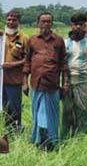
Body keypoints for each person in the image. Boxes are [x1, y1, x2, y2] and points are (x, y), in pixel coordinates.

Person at [23, 12, 69, 151]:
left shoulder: (59, 40)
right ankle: (38, 140)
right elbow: (27, 62)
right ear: (38, 23)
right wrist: (24, 82)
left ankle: (52, 142)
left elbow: (63, 63)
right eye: (43, 21)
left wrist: (65, 83)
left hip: (52, 85)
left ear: (52, 23)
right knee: (38, 114)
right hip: (36, 84)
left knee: (51, 115)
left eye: (49, 21)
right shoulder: (32, 40)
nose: (46, 24)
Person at [62, 12, 87, 137]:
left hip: (84, 81)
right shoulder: (65, 43)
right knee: (67, 111)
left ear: (84, 25)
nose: (78, 27)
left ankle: (85, 136)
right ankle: (66, 136)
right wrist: (64, 82)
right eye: (75, 24)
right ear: (71, 25)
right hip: (68, 82)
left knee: (83, 111)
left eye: (81, 24)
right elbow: (62, 64)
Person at [1, 10, 28, 132]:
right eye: (9, 19)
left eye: (14, 20)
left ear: (19, 22)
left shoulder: (24, 39)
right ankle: (2, 132)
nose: (11, 22)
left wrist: (12, 65)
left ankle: (15, 133)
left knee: (14, 110)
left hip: (14, 81)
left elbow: (28, 60)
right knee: (0, 109)